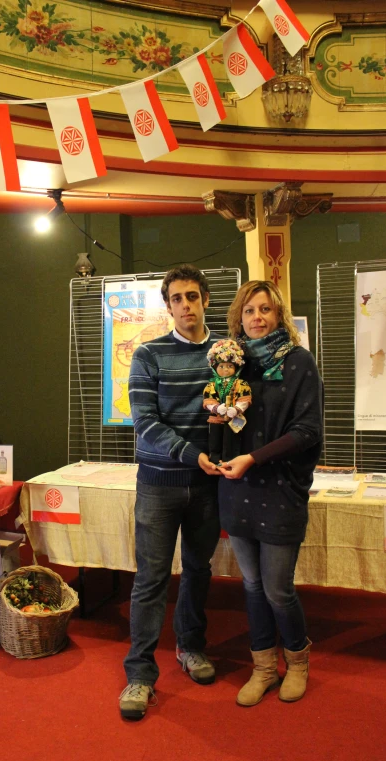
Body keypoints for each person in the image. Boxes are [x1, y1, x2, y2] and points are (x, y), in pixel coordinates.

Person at [119, 264, 222, 721]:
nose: (186, 306)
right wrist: (190, 453)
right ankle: (140, 675)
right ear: (168, 306)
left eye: (193, 297)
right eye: (177, 298)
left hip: (208, 486)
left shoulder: (226, 352)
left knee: (199, 570)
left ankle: (190, 647)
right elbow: (144, 424)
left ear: (204, 301)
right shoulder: (148, 355)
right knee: (151, 580)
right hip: (160, 485)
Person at [217, 280, 323, 707]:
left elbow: (308, 431)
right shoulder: (231, 367)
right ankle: (263, 668)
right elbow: (223, 421)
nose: (257, 318)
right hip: (238, 491)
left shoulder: (298, 362)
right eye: (249, 311)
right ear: (238, 319)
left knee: (278, 589)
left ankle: (297, 662)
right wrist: (214, 453)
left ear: (278, 315)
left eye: (265, 309)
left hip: (279, 490)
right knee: (253, 585)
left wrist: (253, 459)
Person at [203, 338, 252, 464]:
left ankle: (230, 460)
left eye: (230, 366)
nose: (225, 369)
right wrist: (215, 408)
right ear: (215, 367)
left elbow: (245, 399)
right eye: (222, 366)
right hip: (216, 418)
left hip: (234, 418)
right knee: (214, 439)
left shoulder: (241, 383)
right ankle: (215, 459)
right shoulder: (212, 384)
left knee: (232, 440)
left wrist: (237, 409)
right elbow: (208, 399)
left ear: (236, 367)